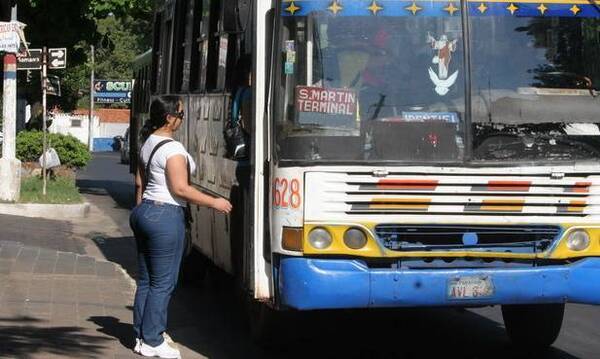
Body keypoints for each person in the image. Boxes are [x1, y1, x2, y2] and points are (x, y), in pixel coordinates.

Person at [130, 95, 232, 358]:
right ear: (169, 118)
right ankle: (153, 340)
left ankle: (141, 336)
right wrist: (215, 202)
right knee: (163, 283)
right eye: (181, 115)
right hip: (165, 217)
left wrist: (141, 210)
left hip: (145, 212)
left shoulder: (148, 143)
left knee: (147, 281)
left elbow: (140, 184)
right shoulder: (172, 150)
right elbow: (180, 188)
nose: (182, 119)